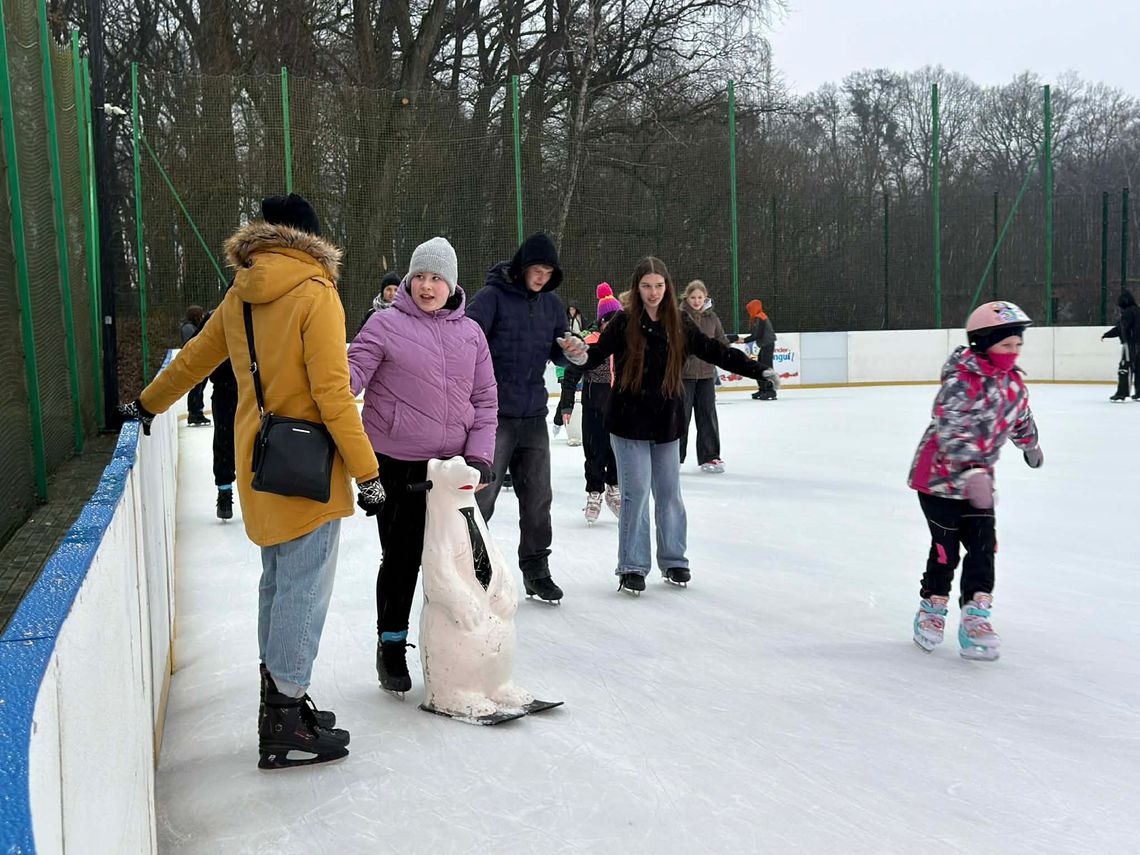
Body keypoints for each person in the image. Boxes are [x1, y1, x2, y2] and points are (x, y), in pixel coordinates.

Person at [118, 193, 383, 769]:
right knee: (303, 587)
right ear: (311, 241)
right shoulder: (317, 293)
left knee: (278, 579)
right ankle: (286, 717)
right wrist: (368, 472)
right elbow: (333, 394)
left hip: (259, 460)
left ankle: (278, 701)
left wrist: (145, 405)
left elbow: (192, 360)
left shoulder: (241, 293)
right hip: (309, 464)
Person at [559, 257, 775, 594]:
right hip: (628, 421)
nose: (653, 292)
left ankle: (675, 560)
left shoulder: (680, 324)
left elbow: (717, 351)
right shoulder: (623, 322)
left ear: (667, 287)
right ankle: (632, 566)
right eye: (647, 285)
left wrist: (758, 369)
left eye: (659, 285)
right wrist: (577, 354)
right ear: (637, 287)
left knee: (670, 495)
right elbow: (595, 355)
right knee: (636, 494)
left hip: (666, 422)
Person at [348, 237, 497, 694]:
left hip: (452, 469)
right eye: (420, 277)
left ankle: (454, 644)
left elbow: (485, 398)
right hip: (397, 465)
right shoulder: (384, 325)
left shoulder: (470, 332)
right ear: (409, 281)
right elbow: (347, 380)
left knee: (461, 559)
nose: (427, 286)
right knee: (403, 559)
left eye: (436, 278)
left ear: (451, 284)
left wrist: (480, 456)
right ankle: (391, 645)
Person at [907, 300, 1044, 661]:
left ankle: (975, 617)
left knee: (984, 548)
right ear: (983, 343)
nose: (1013, 352)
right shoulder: (959, 382)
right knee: (945, 551)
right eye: (1006, 345)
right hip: (937, 482)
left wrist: (1031, 444)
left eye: (1018, 345)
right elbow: (951, 429)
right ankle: (932, 610)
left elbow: (1019, 418)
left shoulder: (1012, 385)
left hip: (979, 482)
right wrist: (969, 470)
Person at [467, 232, 578, 604]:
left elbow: (560, 351)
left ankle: (536, 569)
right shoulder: (491, 298)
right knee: (483, 498)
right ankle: (470, 571)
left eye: (549, 271)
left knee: (538, 499)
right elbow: (465, 341)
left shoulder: (552, 305)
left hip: (533, 415)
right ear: (522, 266)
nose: (542, 276)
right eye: (537, 269)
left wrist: (570, 352)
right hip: (492, 416)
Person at [581, 283, 623, 524]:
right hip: (593, 405)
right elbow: (575, 371)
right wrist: (565, 404)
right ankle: (594, 492)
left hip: (618, 404)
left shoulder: (625, 342)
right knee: (594, 450)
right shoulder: (592, 341)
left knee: (616, 450)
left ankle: (613, 488)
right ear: (601, 322)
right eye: (609, 320)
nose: (613, 325)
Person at [679, 280, 728, 473]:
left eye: (700, 297)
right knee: (680, 417)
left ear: (705, 297)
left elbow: (721, 340)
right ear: (687, 298)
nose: (697, 301)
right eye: (693, 297)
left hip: (707, 376)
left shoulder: (712, 318)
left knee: (707, 416)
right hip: (684, 376)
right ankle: (674, 457)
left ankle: (710, 456)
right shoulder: (679, 317)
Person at [203, 302, 239, 521]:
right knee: (225, 441)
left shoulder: (260, 312)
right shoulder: (216, 318)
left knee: (258, 442)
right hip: (226, 391)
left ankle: (259, 493)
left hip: (252, 391)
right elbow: (195, 349)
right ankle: (224, 492)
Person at [1102, 289, 1140, 401]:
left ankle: (1122, 393)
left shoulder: (1128, 312)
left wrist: (1107, 335)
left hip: (1130, 344)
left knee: (1125, 367)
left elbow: (1122, 328)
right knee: (1138, 368)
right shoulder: (1138, 310)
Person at [737, 299, 777, 400]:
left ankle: (770, 391)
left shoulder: (760, 317)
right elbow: (757, 334)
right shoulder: (760, 316)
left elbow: (756, 334)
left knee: (766, 368)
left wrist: (744, 340)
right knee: (760, 367)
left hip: (767, 344)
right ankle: (763, 389)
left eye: (750, 309)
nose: (749, 312)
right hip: (766, 344)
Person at [180, 305, 210, 425]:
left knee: (199, 389)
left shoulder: (193, 327)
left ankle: (198, 412)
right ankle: (193, 413)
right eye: (200, 315)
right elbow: (192, 343)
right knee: (196, 389)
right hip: (194, 363)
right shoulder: (188, 328)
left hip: (200, 362)